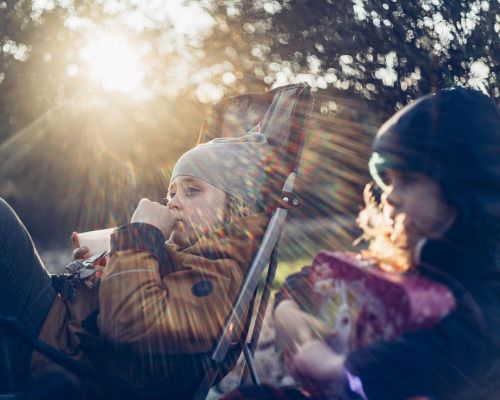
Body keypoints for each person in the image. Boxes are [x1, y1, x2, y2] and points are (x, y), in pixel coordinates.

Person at [224, 88, 500, 400]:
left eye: (407, 180)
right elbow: (320, 277)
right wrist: (287, 311)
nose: (390, 196)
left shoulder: (486, 287)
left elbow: (439, 357)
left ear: (462, 188)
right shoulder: (410, 256)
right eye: (389, 180)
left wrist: (336, 367)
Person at [0, 132, 270, 398]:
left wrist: (141, 235)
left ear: (237, 208)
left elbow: (127, 323)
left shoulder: (222, 279)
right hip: (62, 335)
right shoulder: (186, 258)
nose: (173, 202)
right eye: (171, 193)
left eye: (192, 190)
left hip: (61, 355)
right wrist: (101, 274)